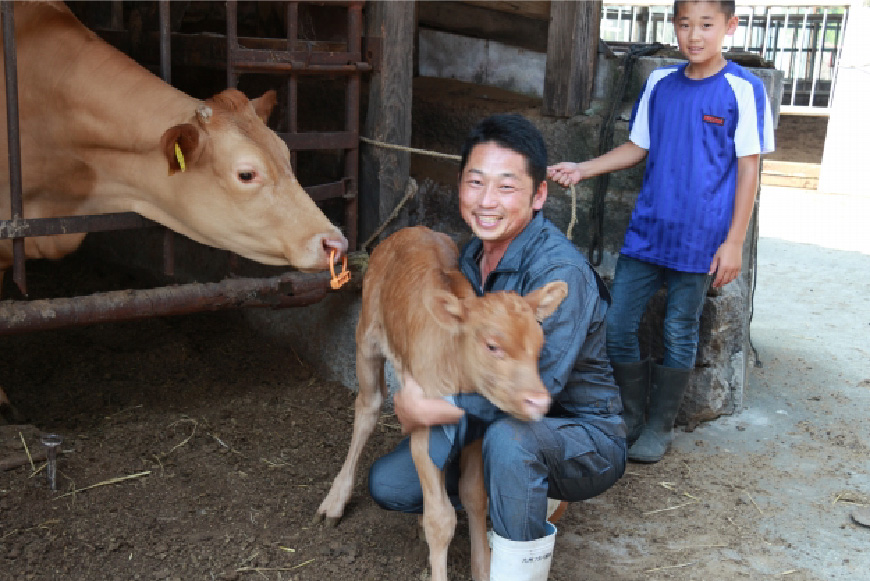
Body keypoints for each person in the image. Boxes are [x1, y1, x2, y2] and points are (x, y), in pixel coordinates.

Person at [367, 113, 627, 581]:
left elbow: (533, 393)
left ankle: (519, 557)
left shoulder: (557, 273)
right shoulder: (471, 257)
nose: (487, 201)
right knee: (391, 484)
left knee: (510, 440)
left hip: (574, 429)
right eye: (475, 182)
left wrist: (430, 409)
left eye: (507, 187)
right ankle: (503, 491)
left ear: (539, 195)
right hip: (492, 412)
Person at [548, 0, 775, 464]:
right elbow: (636, 148)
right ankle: (631, 416)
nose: (694, 35)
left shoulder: (743, 88)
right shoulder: (659, 83)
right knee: (618, 325)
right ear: (674, 26)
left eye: (707, 25)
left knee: (678, 328)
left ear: (729, 26)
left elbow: (749, 170)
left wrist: (733, 243)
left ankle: (659, 425)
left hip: (702, 239)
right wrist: (582, 168)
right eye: (685, 24)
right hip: (648, 231)